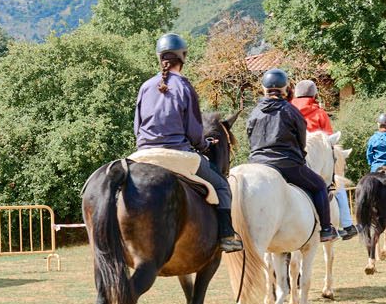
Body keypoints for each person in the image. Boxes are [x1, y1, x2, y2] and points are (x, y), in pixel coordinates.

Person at [134, 33, 242, 252]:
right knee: (221, 185)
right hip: (177, 155)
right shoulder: (184, 86)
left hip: (142, 154)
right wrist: (203, 145)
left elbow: (137, 125)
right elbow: (194, 129)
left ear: (159, 57)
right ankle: (227, 237)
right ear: (183, 57)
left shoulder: (146, 86)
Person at [245, 69, 339, 242]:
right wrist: (300, 155)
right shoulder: (290, 110)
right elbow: (301, 140)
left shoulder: (254, 112)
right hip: (286, 163)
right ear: (286, 88)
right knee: (319, 185)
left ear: (263, 88)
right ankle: (326, 228)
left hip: (257, 163)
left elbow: (250, 137)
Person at [291, 80, 356, 239]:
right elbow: (328, 139)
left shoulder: (288, 109)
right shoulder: (319, 113)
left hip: (291, 154)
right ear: (314, 95)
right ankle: (346, 225)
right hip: (315, 156)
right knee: (335, 184)